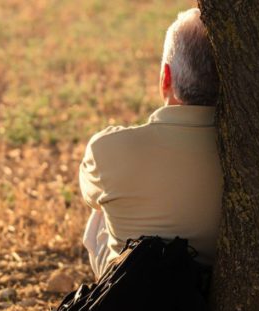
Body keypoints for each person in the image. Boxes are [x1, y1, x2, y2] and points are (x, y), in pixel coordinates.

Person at [80, 8, 222, 279]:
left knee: (100, 210)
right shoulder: (248, 155)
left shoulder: (107, 149)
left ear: (165, 77)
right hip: (207, 298)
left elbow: (89, 195)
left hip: (132, 299)